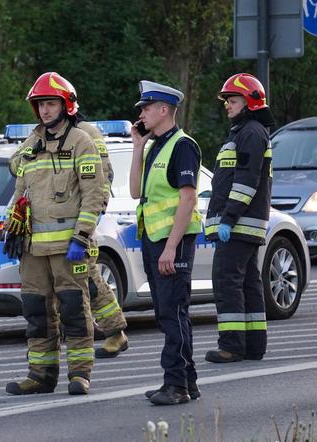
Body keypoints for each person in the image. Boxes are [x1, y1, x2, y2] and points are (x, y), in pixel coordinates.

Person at [8, 75, 129, 360]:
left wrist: (89, 220)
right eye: (42, 105)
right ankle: (114, 331)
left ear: (67, 105)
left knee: (86, 280)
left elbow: (102, 177)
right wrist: (33, 149)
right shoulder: (40, 135)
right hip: (47, 231)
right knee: (84, 281)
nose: (46, 111)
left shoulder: (86, 134)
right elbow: (15, 164)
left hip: (78, 222)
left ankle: (114, 332)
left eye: (52, 104)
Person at [129, 80, 203, 405]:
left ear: (163, 110)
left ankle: (176, 385)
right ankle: (188, 381)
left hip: (173, 242)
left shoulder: (183, 145)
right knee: (169, 313)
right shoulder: (153, 145)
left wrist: (172, 246)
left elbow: (188, 198)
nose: (141, 114)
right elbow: (135, 191)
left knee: (173, 314)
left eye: (146, 108)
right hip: (154, 240)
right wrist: (136, 148)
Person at [204, 73, 274, 363]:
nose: (228, 106)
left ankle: (231, 345)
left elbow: (246, 182)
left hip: (239, 224)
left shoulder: (250, 133)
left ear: (250, 103)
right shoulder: (247, 132)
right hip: (245, 223)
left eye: (233, 100)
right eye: (227, 101)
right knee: (247, 283)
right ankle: (253, 345)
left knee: (226, 280)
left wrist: (228, 219)